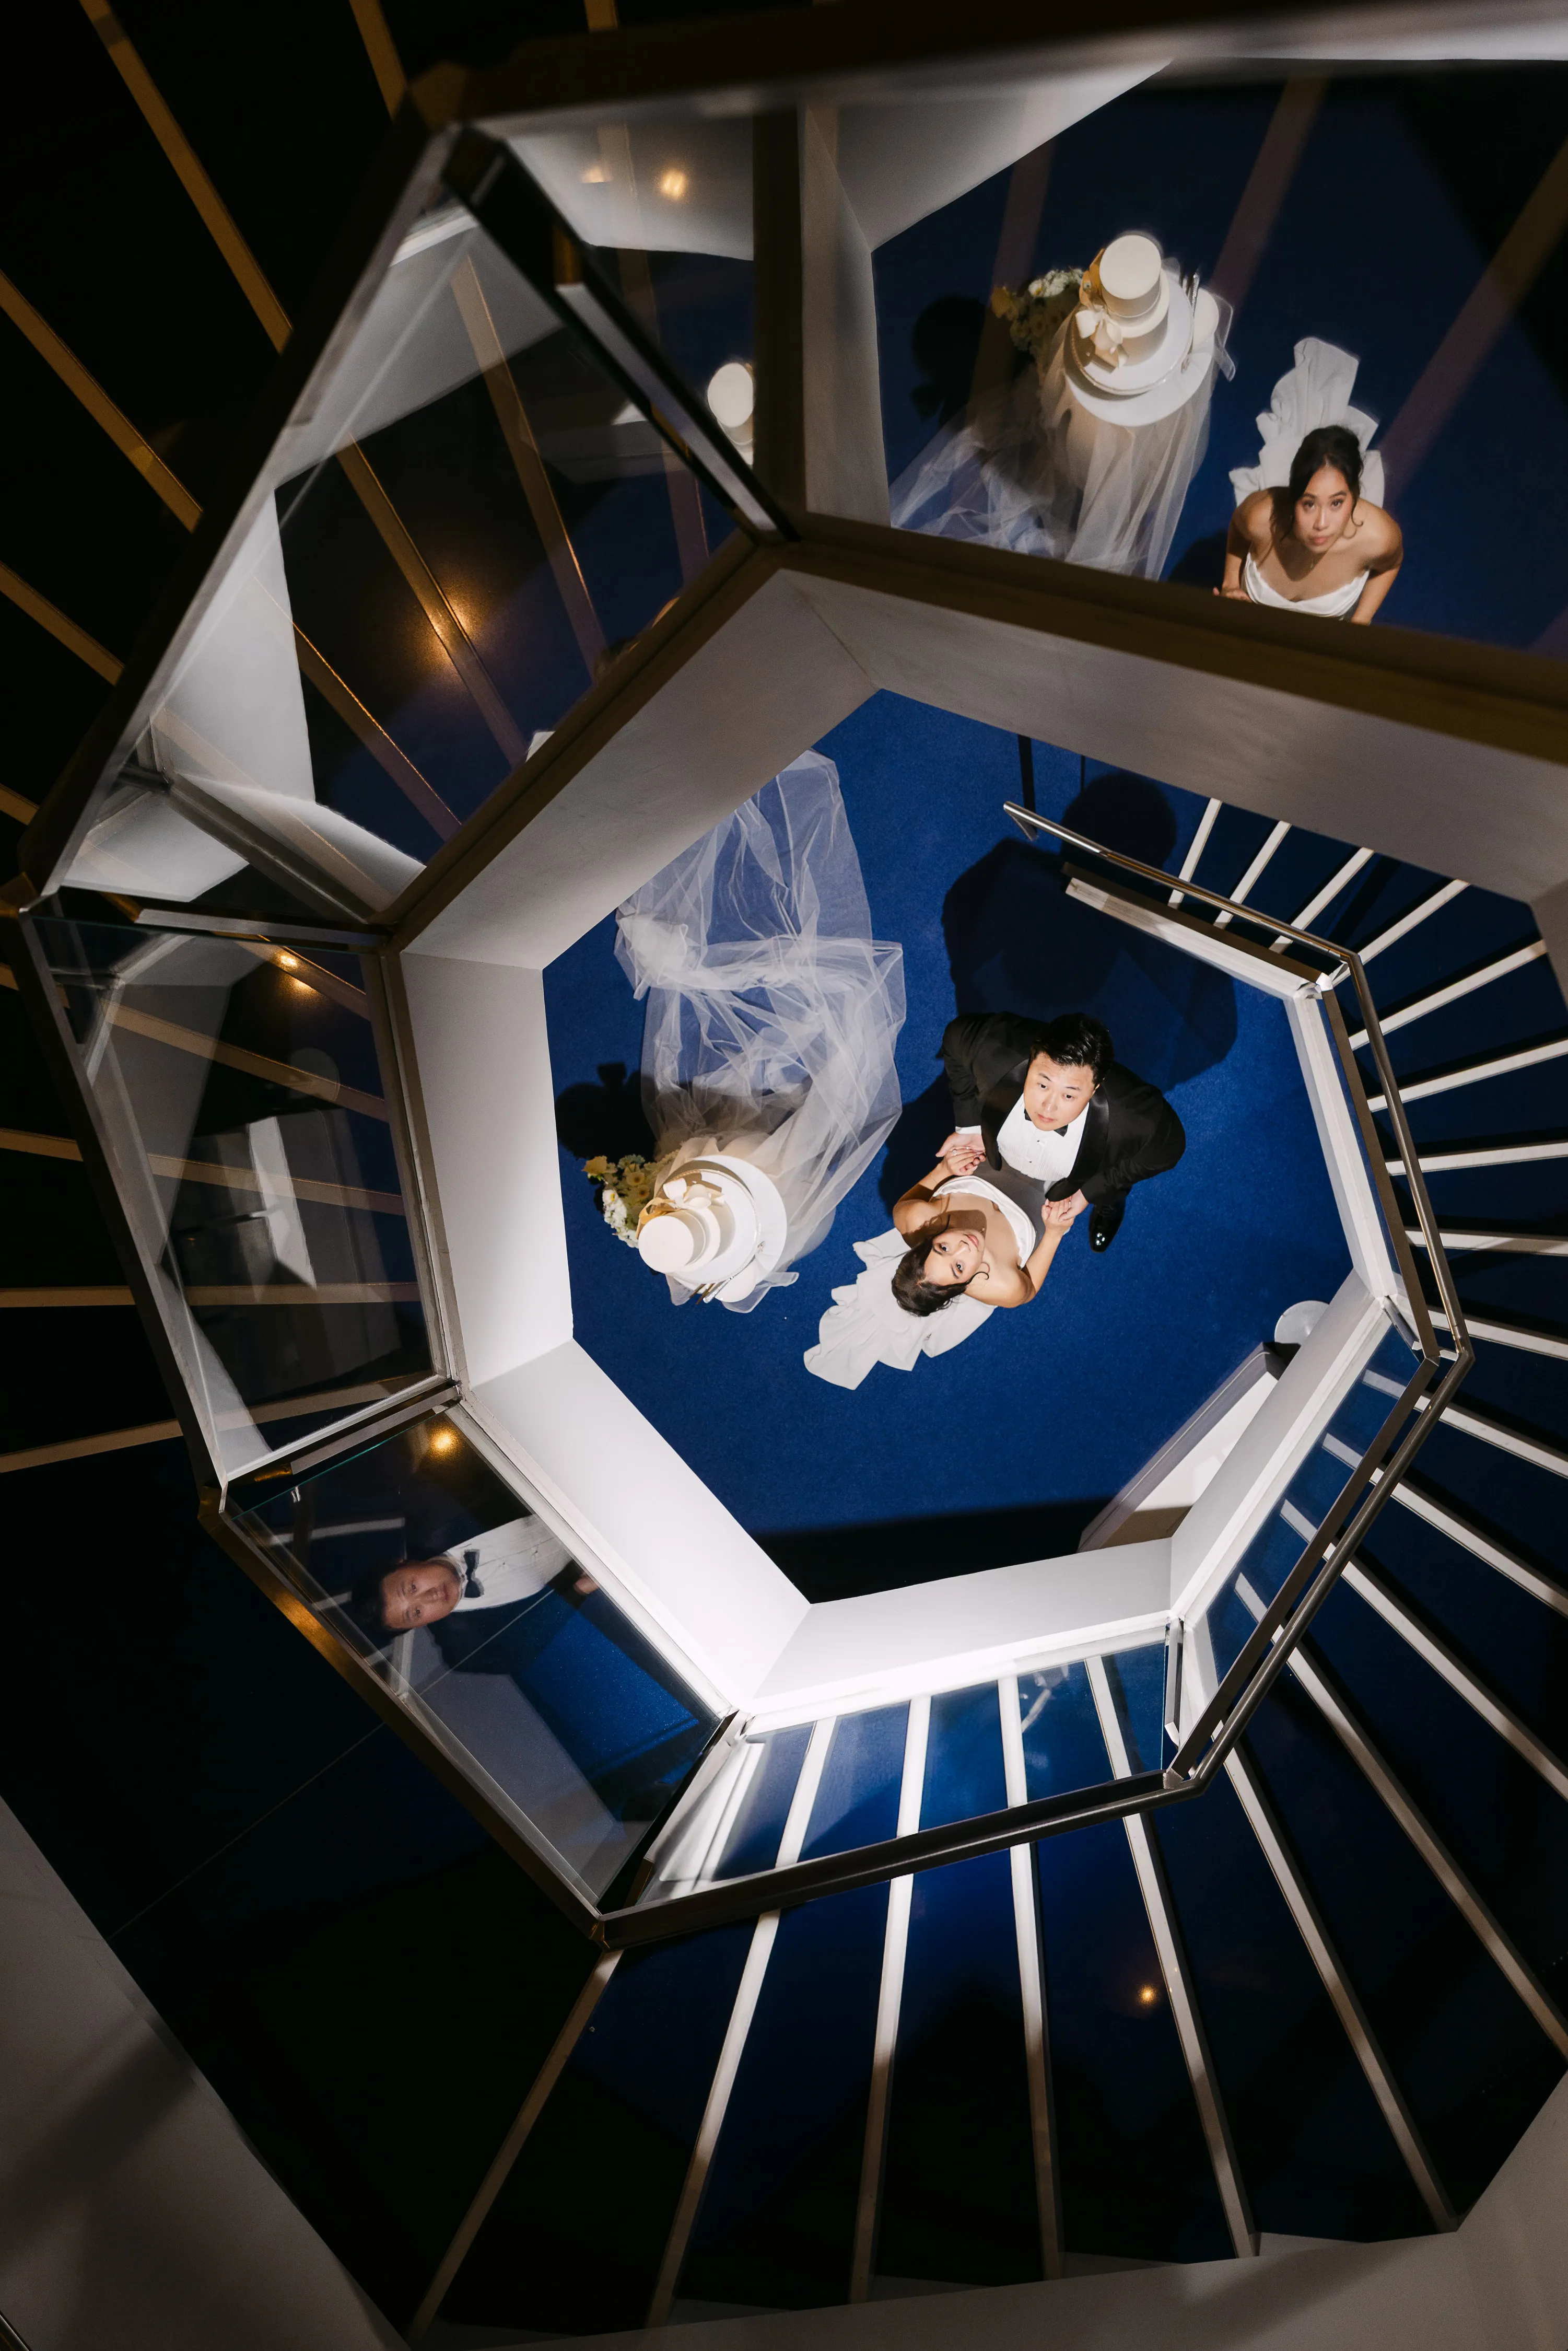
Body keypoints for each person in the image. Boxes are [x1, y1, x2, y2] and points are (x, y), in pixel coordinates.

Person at [939, 1009, 1185, 1254]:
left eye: (1068, 1095)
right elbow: (954, 1038)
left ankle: (1109, 1201)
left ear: (1095, 1089)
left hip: (1088, 1167)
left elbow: (1169, 1150)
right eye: (1042, 1084)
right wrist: (969, 1126)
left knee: (1111, 1180)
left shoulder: (1132, 1115)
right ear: (1031, 1062)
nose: (1048, 1108)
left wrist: (1093, 1190)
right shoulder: (993, 1048)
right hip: (1004, 1152)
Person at [1219, 423, 1402, 623]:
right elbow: (1238, 527)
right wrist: (1230, 584)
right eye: (1309, 504)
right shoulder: (1260, 518)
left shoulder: (1379, 537)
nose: (1321, 524)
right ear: (1294, 498)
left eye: (1336, 503)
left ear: (1354, 496)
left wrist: (1362, 619)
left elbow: (1391, 564)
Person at [891, 1141, 1080, 1316]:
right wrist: (1054, 1234)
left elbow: (904, 1203)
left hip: (1004, 1151)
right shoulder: (1003, 1287)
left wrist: (944, 1169)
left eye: (944, 1248)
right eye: (959, 1267)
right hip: (1053, 1189)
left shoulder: (917, 1219)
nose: (964, 1247)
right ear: (963, 1286)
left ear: (929, 1239)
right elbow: (1031, 1288)